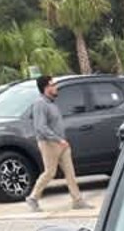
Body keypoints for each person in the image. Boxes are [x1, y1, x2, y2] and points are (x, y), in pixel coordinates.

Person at [26, 76, 89, 212]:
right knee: (50, 173)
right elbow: (40, 127)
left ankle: (78, 201)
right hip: (49, 143)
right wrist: (57, 139)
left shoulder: (51, 103)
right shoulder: (40, 104)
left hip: (61, 143)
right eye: (52, 85)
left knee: (70, 173)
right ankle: (33, 198)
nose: (56, 87)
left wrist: (62, 141)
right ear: (46, 88)